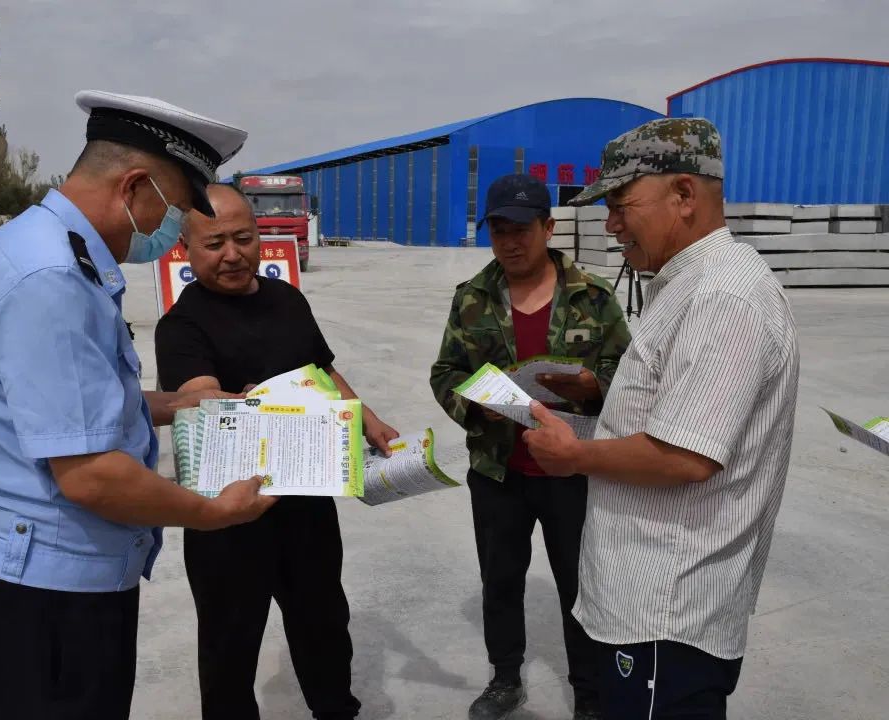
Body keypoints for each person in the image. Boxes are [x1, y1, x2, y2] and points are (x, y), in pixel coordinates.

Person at [0, 91, 277, 719]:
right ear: (135, 187)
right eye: (177, 210)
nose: (173, 231)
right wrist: (214, 512)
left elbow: (71, 405)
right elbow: (91, 474)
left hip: (46, 589)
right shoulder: (53, 280)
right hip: (37, 609)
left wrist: (176, 405)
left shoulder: (50, 249)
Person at [522, 118, 800, 720]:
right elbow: (678, 407)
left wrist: (574, 455)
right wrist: (602, 395)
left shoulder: (724, 296)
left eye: (622, 205)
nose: (611, 224)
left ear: (684, 196)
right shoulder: (686, 283)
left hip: (667, 614)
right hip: (645, 602)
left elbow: (685, 456)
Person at [154, 183, 399, 720]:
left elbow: (322, 370)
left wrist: (367, 421)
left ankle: (336, 709)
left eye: (244, 237)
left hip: (307, 502)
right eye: (215, 243)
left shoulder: (286, 297)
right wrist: (227, 404)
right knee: (229, 647)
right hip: (230, 515)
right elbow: (198, 397)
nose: (233, 254)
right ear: (186, 249)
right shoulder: (182, 325)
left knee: (325, 626)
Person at [430, 174, 630, 720]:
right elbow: (446, 372)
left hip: (572, 470)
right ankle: (504, 678)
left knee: (579, 589)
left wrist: (594, 386)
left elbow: (630, 371)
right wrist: (476, 403)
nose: (510, 242)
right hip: (499, 471)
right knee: (500, 581)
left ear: (548, 227)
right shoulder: (472, 298)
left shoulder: (593, 296)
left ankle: (589, 693)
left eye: (521, 229)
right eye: (498, 230)